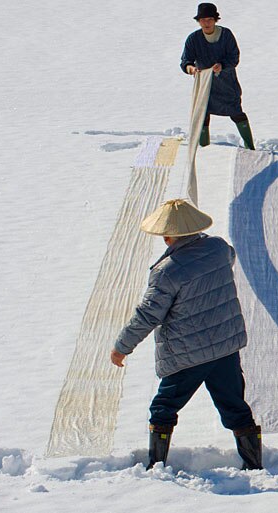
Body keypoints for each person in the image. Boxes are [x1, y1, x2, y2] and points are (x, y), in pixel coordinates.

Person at [110, 198, 262, 471]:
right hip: (224, 348)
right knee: (235, 406)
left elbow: (148, 315)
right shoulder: (219, 249)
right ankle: (254, 465)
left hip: (188, 353)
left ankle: (156, 465)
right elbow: (228, 255)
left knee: (163, 408)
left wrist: (122, 346)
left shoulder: (167, 272)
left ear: (168, 236)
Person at [181, 3, 255, 150]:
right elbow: (185, 61)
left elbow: (234, 57)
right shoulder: (193, 39)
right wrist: (191, 69)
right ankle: (205, 148)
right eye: (202, 20)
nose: (206, 23)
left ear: (215, 20)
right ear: (198, 21)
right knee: (203, 114)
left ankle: (249, 145)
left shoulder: (226, 35)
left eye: (209, 19)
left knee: (236, 112)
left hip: (227, 83)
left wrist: (222, 65)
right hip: (205, 85)